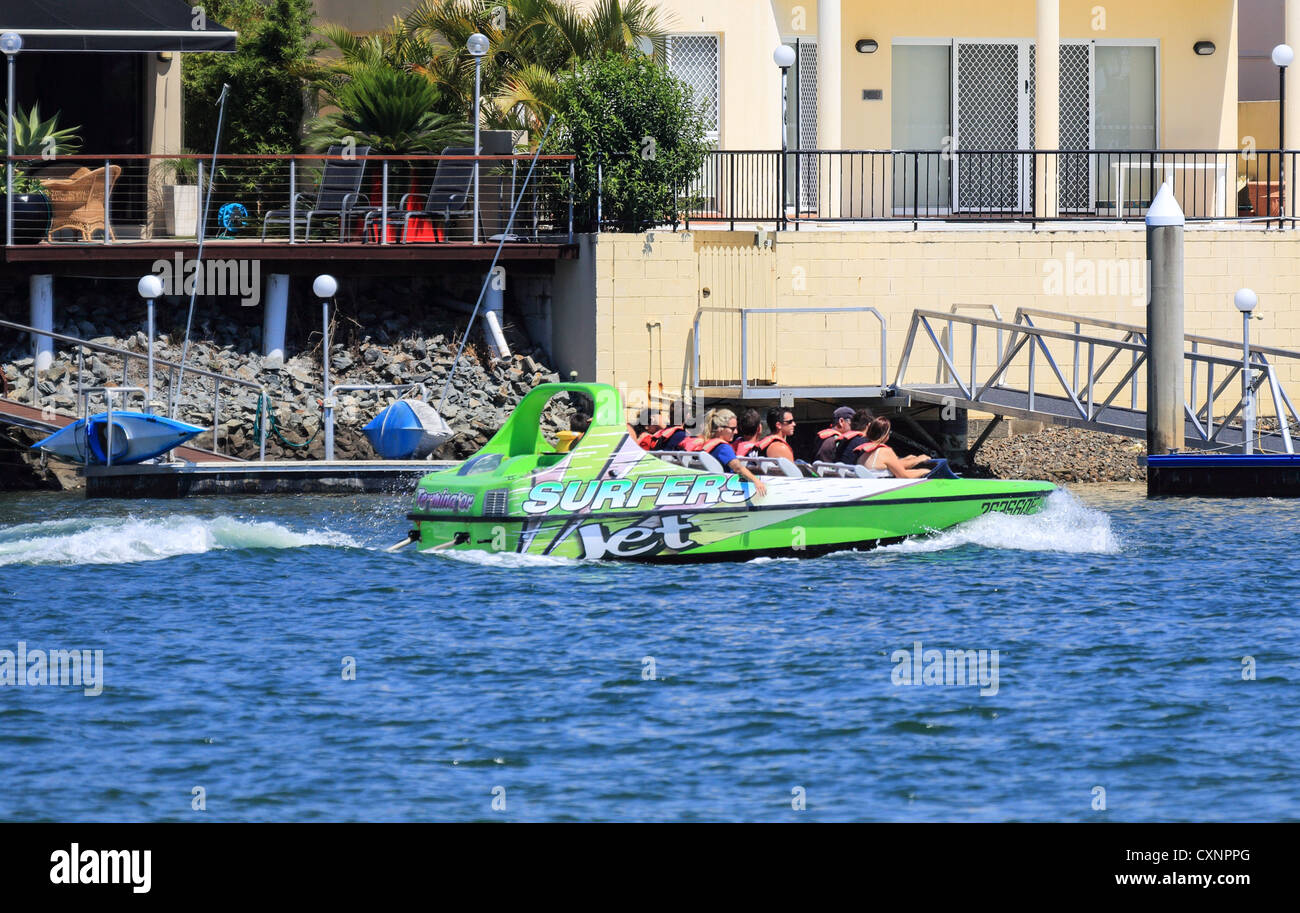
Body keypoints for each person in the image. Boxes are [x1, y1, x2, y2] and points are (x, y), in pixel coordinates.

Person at [683, 408, 767, 497]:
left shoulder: (709, 443)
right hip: (726, 491)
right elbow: (737, 468)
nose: (736, 432)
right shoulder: (724, 448)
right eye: (732, 429)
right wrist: (756, 481)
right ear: (720, 429)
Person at [853, 417, 931, 479]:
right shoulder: (885, 451)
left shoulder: (864, 450)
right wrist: (926, 471)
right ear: (886, 434)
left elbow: (888, 465)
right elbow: (904, 476)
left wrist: (910, 460)